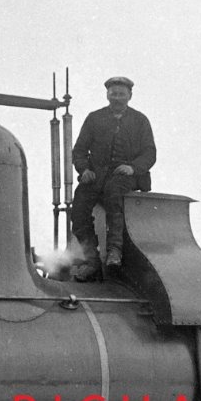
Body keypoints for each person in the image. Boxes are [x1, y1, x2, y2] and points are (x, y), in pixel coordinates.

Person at [69, 75, 156, 280]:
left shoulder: (140, 120)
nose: (117, 97)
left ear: (130, 96)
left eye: (121, 94)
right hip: (96, 175)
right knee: (79, 206)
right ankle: (91, 260)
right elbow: (79, 150)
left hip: (126, 176)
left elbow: (149, 153)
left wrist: (132, 168)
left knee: (114, 192)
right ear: (107, 95)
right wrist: (84, 170)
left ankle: (115, 250)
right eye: (113, 93)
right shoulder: (94, 118)